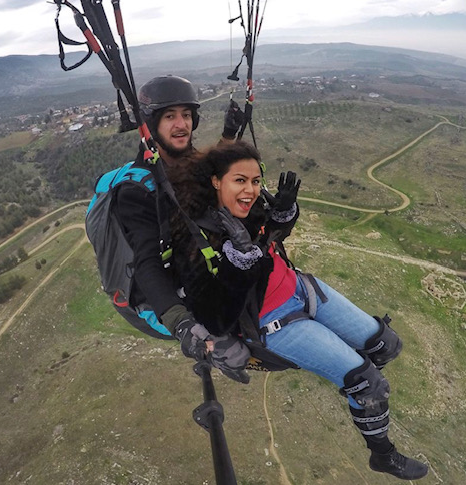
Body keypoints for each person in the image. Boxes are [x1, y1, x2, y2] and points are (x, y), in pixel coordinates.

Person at [164, 141, 429, 481]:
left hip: (303, 290)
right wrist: (239, 265)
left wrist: (283, 214)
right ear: (216, 181)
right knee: (369, 384)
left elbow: (271, 238)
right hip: (274, 324)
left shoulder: (248, 209)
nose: (250, 190)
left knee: (385, 344)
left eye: (256, 181)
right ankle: (382, 452)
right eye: (240, 181)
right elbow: (217, 319)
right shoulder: (196, 240)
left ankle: (352, 381)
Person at [111, 74, 251, 379]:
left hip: (199, 269)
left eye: (186, 115)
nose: (181, 125)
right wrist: (181, 322)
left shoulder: (186, 161)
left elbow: (206, 173)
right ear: (150, 125)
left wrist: (229, 135)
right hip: (169, 291)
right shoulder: (136, 190)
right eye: (170, 116)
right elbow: (146, 262)